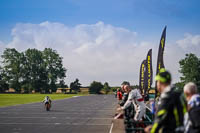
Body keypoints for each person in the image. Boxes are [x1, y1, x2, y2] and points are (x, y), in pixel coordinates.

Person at [145, 68, 187, 133]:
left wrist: (152, 130)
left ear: (160, 82)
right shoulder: (179, 94)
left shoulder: (166, 97)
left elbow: (159, 119)